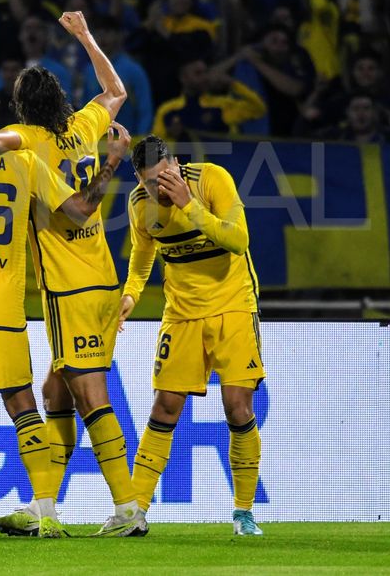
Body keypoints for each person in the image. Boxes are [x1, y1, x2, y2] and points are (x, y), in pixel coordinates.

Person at [0, 12, 145, 537]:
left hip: (68, 285)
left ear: (19, 108)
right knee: (53, 393)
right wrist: (86, 36)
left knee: (90, 396)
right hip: (102, 277)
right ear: (63, 99)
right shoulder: (84, 125)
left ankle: (129, 508)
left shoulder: (24, 139)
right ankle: (44, 506)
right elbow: (116, 89)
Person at [119, 135, 266, 537]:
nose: (160, 187)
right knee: (165, 407)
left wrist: (189, 204)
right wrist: (130, 294)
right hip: (181, 313)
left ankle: (244, 512)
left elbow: (238, 240)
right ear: (138, 180)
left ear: (177, 164)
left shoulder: (212, 180)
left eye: (166, 176)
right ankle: (136, 512)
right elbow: (143, 251)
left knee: (238, 407)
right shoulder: (138, 204)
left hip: (233, 305)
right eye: (151, 183)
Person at [153, 60, 267, 139]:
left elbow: (258, 108)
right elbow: (154, 148)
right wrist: (169, 135)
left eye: (206, 72)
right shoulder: (167, 109)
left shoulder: (221, 105)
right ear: (183, 78)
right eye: (198, 73)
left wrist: (233, 84)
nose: (204, 77)